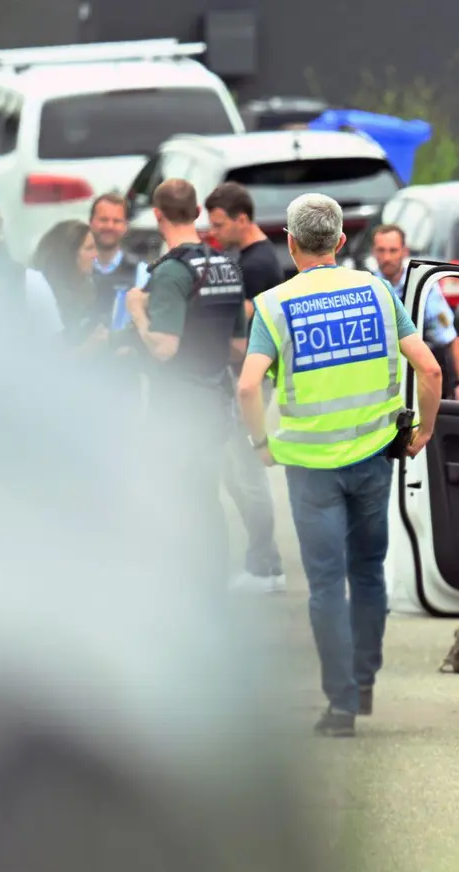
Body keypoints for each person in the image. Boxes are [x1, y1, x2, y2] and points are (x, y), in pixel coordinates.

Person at [236, 193, 443, 738]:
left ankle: (341, 705)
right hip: (374, 457)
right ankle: (365, 677)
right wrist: (424, 429)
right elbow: (430, 367)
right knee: (368, 571)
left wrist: (261, 442)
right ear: (343, 242)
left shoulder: (274, 305)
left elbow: (247, 384)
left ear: (290, 242)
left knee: (326, 583)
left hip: (309, 467)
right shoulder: (377, 291)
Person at [124, 178, 248, 592]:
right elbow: (238, 347)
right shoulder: (227, 266)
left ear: (157, 215)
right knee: (206, 500)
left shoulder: (171, 273)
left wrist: (137, 312)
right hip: (217, 403)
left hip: (179, 407)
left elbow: (163, 348)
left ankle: (183, 595)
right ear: (197, 214)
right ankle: (212, 588)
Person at [206, 181, 287, 594]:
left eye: (219, 224)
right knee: (237, 474)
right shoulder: (247, 257)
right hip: (242, 376)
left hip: (249, 378)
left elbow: (247, 320)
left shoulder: (258, 265)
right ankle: (264, 559)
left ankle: (264, 568)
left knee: (248, 472)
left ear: (242, 219)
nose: (214, 231)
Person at [371, 224, 459, 400]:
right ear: (374, 252)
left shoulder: (424, 288)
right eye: (381, 250)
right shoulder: (366, 286)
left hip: (418, 383)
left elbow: (449, 338)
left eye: (393, 250)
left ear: (404, 252)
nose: (387, 257)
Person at [29, 220, 105, 347]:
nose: (96, 254)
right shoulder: (42, 294)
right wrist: (91, 347)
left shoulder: (88, 287)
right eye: (89, 248)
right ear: (69, 255)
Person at [88, 192, 148, 325]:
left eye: (116, 221)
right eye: (103, 220)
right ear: (91, 222)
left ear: (125, 226)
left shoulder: (141, 273)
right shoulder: (76, 266)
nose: (110, 226)